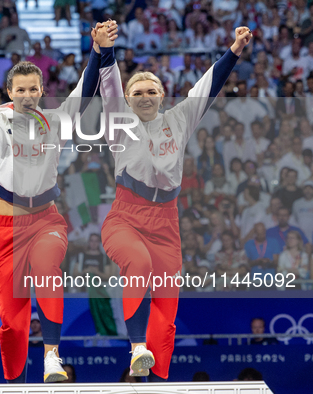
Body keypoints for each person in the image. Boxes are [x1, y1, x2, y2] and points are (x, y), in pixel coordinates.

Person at [0, 22, 117, 383]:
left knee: (48, 269)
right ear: (10, 91)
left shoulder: (56, 120)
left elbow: (85, 90)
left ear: (42, 90)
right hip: (6, 228)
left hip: (47, 220)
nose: (28, 95)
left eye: (34, 88)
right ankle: (14, 383)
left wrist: (97, 50)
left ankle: (51, 356)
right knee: (12, 321)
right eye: (21, 89)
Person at [99, 25, 252, 379]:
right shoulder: (118, 122)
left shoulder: (179, 120)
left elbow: (207, 88)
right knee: (136, 263)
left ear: (163, 95)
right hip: (125, 216)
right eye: (137, 91)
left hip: (166, 222)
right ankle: (137, 346)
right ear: (128, 97)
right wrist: (106, 51)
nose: (145, 96)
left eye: (152, 90)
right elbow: (108, 89)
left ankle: (156, 380)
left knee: (167, 314)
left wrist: (234, 50)